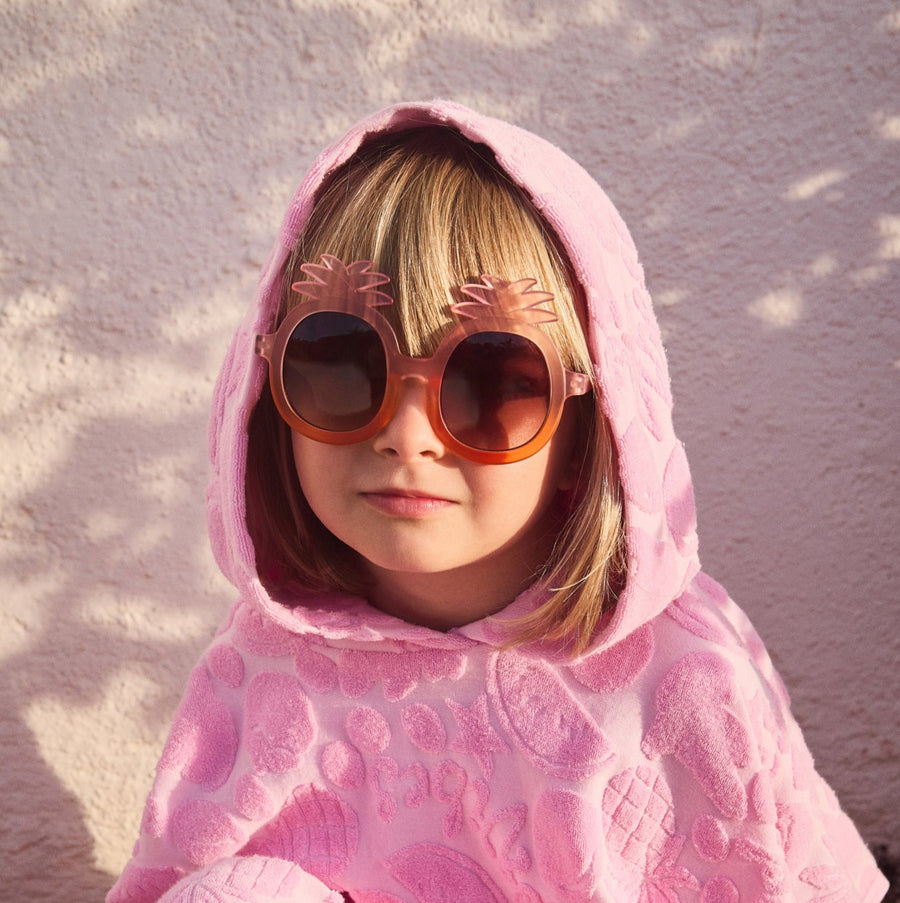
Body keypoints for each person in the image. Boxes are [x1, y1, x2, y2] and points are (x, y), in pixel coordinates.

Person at [107, 101, 887, 903]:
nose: (407, 436)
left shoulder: (678, 676)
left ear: (590, 424)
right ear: (266, 385)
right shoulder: (262, 664)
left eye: (492, 379)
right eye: (339, 360)